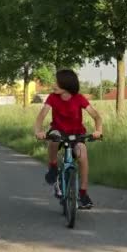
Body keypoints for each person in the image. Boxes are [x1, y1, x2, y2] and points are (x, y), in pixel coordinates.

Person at [33, 69, 102, 209]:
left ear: (66, 84)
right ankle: (53, 166)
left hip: (76, 133)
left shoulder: (79, 98)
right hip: (59, 130)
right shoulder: (52, 97)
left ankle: (83, 193)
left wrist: (98, 130)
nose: (54, 84)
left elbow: (96, 116)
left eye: (57, 82)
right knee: (54, 139)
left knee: (82, 155)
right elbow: (41, 116)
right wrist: (38, 131)